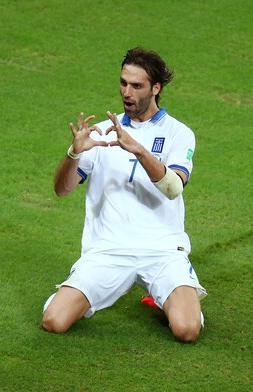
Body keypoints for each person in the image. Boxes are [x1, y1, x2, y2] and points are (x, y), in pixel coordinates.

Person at [41, 47, 207, 343]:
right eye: (123, 83)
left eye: (137, 86)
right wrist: (74, 152)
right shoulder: (103, 132)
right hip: (109, 250)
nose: (126, 92)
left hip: (162, 251)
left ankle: (163, 299)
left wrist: (139, 150)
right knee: (54, 320)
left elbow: (173, 187)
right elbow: (62, 189)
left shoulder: (178, 133)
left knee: (187, 330)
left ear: (156, 88)